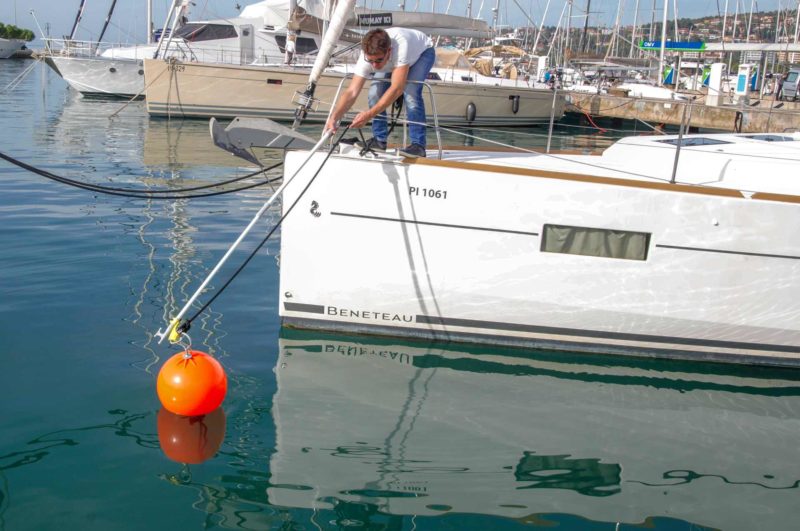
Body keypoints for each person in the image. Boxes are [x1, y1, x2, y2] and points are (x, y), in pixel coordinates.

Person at [325, 28, 435, 157]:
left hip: (423, 52)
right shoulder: (366, 56)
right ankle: (379, 141)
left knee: (411, 93)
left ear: (389, 51)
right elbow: (352, 91)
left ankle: (418, 145)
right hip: (394, 60)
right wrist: (334, 117)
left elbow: (397, 88)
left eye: (378, 60)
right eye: (370, 61)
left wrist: (369, 115)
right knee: (374, 93)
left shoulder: (401, 45)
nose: (374, 66)